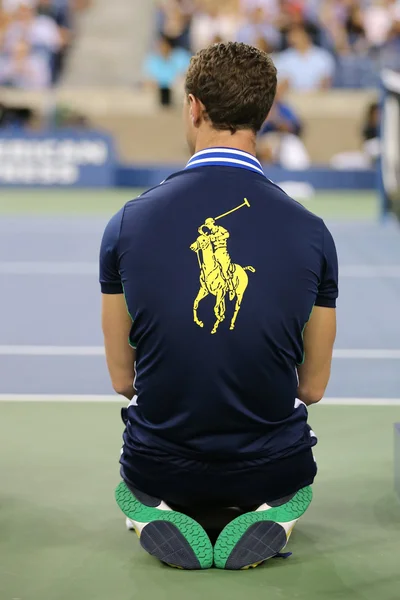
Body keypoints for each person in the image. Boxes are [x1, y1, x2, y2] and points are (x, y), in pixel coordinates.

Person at [100, 41, 338, 571]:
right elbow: (312, 387)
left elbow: (123, 379)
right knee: (285, 454)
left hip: (159, 462)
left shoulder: (126, 223)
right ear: (266, 112)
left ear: (194, 108)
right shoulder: (313, 232)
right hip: (271, 464)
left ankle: (151, 505)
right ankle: (272, 508)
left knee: (145, 452)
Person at [275, 23, 335, 90]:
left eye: (297, 34)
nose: (292, 37)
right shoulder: (284, 58)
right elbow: (282, 83)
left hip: (318, 98)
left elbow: (326, 83)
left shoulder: (323, 57)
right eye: (292, 34)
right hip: (291, 98)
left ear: (307, 36)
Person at [144, 34, 191, 106]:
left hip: (176, 88)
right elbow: (149, 77)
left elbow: (187, 72)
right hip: (158, 89)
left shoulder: (181, 56)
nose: (161, 47)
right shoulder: (152, 59)